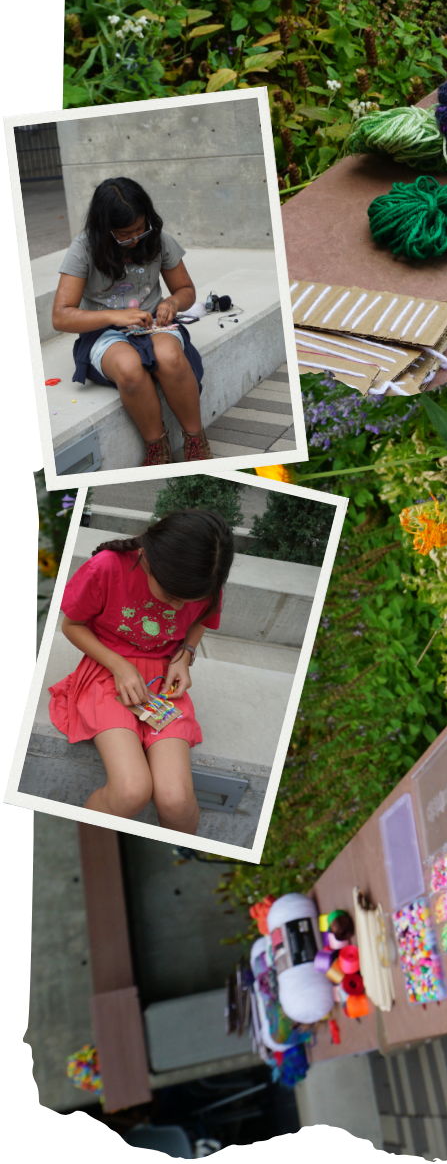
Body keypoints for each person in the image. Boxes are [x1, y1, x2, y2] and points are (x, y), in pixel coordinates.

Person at [48, 510, 235, 833]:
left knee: (176, 800)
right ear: (148, 560)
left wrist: (185, 655)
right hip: (107, 669)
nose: (177, 608)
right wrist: (119, 665)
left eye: (187, 600)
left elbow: (200, 621)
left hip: (162, 681)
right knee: (131, 790)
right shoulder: (107, 567)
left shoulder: (205, 575)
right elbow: (72, 625)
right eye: (171, 597)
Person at [53, 178, 214, 465]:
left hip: (154, 324)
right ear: (104, 229)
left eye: (141, 228)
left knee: (169, 357)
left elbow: (185, 290)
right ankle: (157, 448)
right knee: (129, 367)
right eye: (125, 234)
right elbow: (61, 315)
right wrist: (115, 316)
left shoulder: (159, 240)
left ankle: (195, 440)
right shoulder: (84, 248)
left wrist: (172, 303)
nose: (136, 239)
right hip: (103, 331)